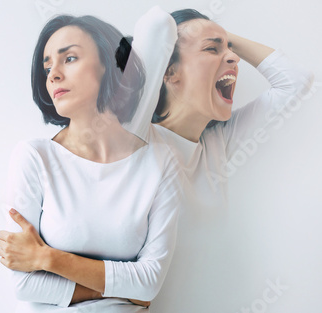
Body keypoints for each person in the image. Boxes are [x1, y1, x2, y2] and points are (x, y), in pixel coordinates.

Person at [123, 8, 314, 312]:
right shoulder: (134, 137)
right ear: (168, 71)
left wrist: (222, 40)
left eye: (230, 51)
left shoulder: (217, 144)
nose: (233, 59)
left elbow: (295, 82)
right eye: (211, 49)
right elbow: (154, 27)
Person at [0, 6, 180, 312]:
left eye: (69, 58)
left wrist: (48, 259)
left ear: (108, 64)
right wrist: (123, 290)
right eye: (47, 67)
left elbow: (150, 282)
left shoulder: (159, 162)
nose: (54, 74)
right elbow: (24, 283)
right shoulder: (34, 157)